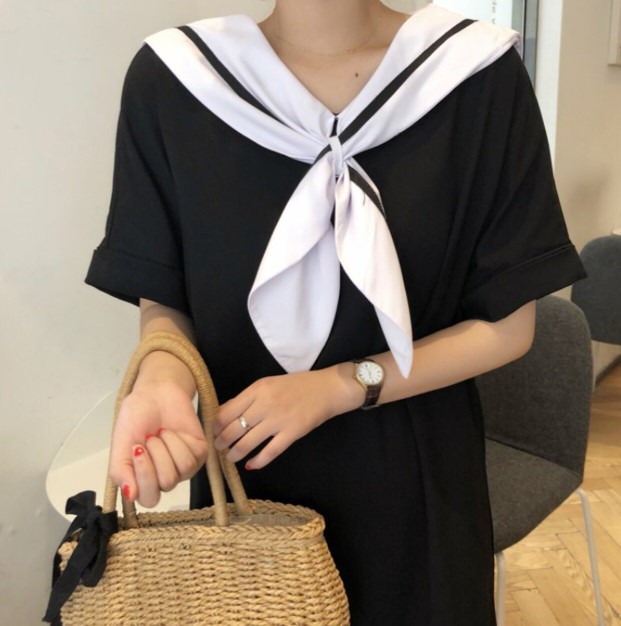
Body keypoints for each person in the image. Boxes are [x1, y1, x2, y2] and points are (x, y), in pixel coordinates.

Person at [85, 1, 587, 623]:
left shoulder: (475, 75)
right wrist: (163, 378)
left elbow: (508, 327)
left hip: (418, 488)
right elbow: (166, 294)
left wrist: (339, 387)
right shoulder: (175, 80)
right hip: (246, 485)